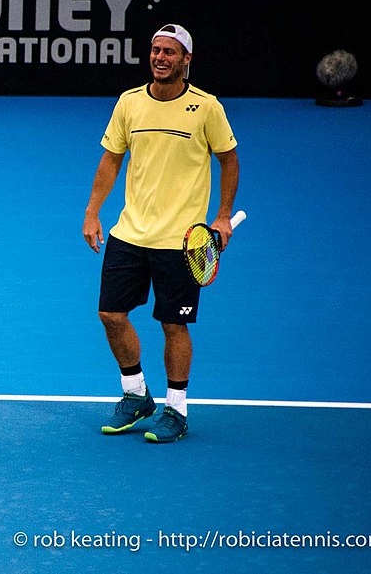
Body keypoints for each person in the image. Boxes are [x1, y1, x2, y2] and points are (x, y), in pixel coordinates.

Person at [82, 24, 239, 443]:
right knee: (111, 315)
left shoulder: (206, 108)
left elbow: (229, 160)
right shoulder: (129, 102)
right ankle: (136, 395)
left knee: (174, 325)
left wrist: (222, 217)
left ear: (186, 59)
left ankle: (176, 410)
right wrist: (93, 211)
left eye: (170, 52)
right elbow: (111, 159)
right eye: (155, 50)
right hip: (130, 233)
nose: (160, 58)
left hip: (182, 240)